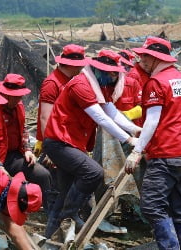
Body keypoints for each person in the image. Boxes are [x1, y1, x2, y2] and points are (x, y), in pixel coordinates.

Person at [43, 50, 141, 238]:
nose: (113, 77)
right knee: (93, 172)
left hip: (72, 143)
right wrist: (127, 139)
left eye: (115, 73)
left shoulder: (99, 86)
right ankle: (69, 214)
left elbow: (111, 111)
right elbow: (100, 118)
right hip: (59, 141)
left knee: (65, 192)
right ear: (98, 69)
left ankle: (50, 237)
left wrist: (135, 130)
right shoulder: (81, 85)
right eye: (111, 73)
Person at [125, 36, 181, 250]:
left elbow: (153, 119)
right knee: (179, 210)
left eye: (146, 56)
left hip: (167, 154)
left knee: (152, 207)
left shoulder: (156, 82)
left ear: (156, 58)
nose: (142, 60)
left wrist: (137, 151)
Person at [0, 73, 52, 213]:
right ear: (6, 95)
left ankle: (50, 213)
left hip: (13, 155)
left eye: (20, 96)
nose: (20, 99)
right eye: (16, 96)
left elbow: (23, 129)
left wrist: (27, 149)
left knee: (42, 175)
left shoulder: (19, 106)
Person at [33, 44, 89, 157]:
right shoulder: (52, 84)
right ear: (72, 65)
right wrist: (50, 150)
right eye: (80, 66)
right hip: (57, 143)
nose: (81, 69)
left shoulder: (70, 81)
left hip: (68, 139)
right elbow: (45, 118)